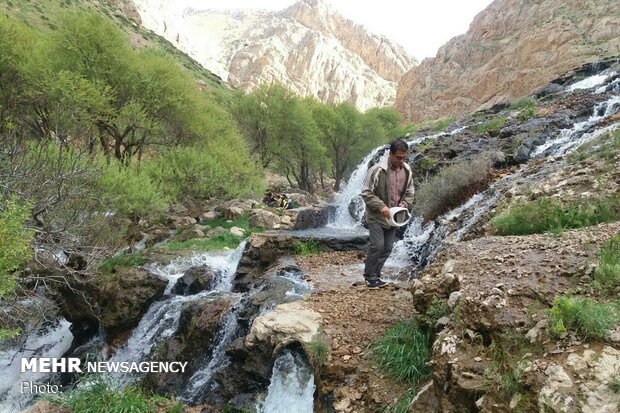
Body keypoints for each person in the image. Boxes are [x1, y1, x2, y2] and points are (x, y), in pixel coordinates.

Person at [360, 139, 415, 289]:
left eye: (404, 157)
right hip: (377, 215)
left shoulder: (407, 170)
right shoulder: (377, 170)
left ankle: (375, 276)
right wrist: (381, 206)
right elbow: (365, 192)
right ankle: (369, 276)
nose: (401, 160)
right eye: (398, 157)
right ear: (390, 154)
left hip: (395, 217)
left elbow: (410, 192)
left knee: (388, 247)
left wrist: (405, 204)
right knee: (377, 245)